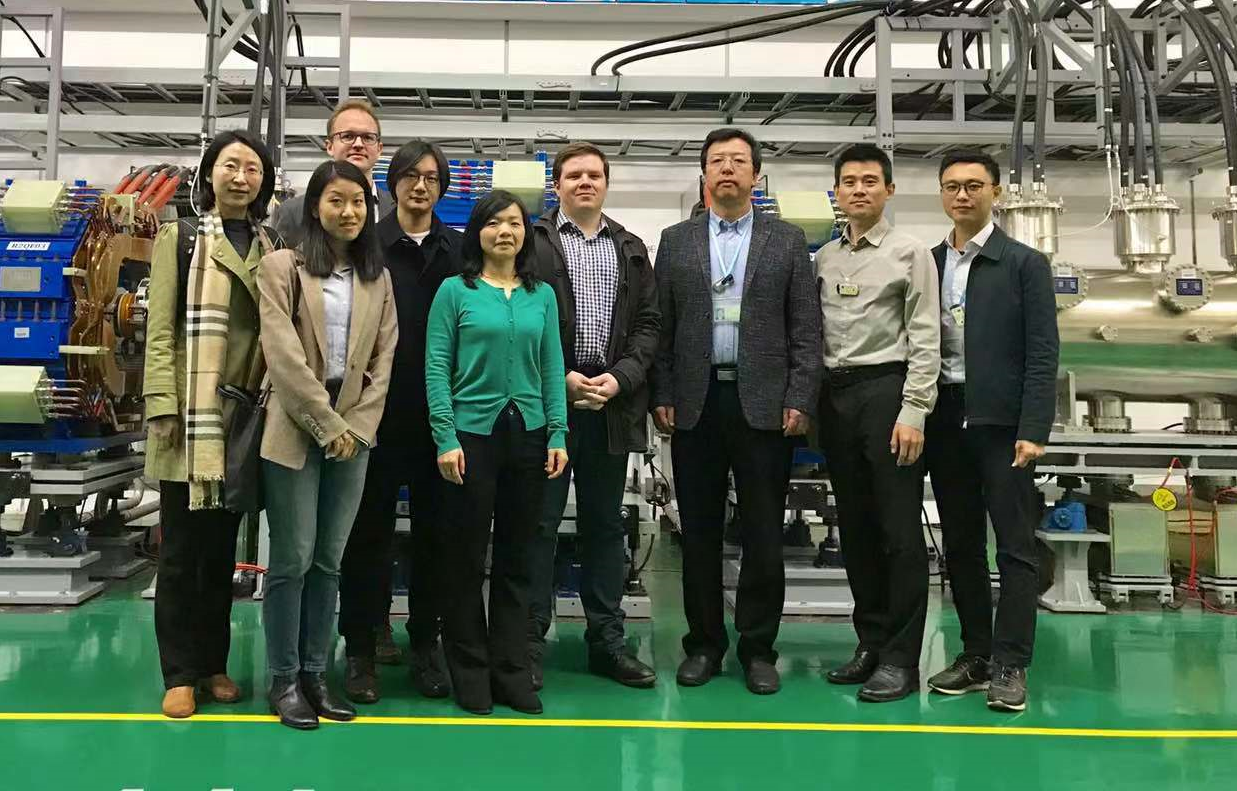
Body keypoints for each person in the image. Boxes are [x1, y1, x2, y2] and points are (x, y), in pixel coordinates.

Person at [652, 128, 822, 696]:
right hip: (695, 402)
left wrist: (799, 397)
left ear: (756, 175)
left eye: (738, 161)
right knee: (698, 532)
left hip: (766, 406)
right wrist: (662, 392)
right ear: (703, 174)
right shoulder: (675, 241)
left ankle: (758, 648)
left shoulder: (787, 240)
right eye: (717, 161)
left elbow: (806, 327)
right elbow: (662, 325)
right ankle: (703, 644)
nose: (727, 169)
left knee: (763, 532)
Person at [257, 159, 398, 730]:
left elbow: (384, 359)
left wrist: (356, 429)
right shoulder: (281, 268)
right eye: (336, 200)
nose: (349, 211)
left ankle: (317, 674)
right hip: (294, 426)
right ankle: (283, 678)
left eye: (358, 202)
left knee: (329, 560)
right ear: (315, 206)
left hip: (353, 436)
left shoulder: (377, 278)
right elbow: (282, 354)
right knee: (292, 559)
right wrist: (327, 423)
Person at [144, 129, 280, 720]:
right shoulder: (179, 239)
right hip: (189, 413)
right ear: (210, 174)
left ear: (264, 182)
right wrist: (160, 402)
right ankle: (179, 673)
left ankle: (213, 663)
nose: (241, 177)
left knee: (222, 552)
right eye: (230, 165)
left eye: (252, 169)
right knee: (180, 552)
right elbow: (159, 330)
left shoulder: (274, 246)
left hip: (243, 415)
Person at [425, 191, 568, 716]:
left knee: (518, 559)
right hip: (470, 438)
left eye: (514, 223)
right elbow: (436, 366)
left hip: (529, 435)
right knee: (464, 558)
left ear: (526, 234)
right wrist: (445, 437)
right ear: (478, 232)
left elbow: (552, 366)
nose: (505, 231)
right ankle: (469, 670)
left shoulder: (541, 295)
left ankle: (511, 671)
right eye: (494, 223)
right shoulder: (454, 291)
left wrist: (558, 432)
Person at [924, 151, 1058, 712]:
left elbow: (1042, 352)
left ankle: (1011, 663)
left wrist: (1034, 426)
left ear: (995, 193)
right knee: (959, 545)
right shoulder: (929, 262)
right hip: (945, 419)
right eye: (952, 186)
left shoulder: (1024, 263)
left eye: (974, 186)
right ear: (941, 193)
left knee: (1015, 547)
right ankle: (976, 654)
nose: (962, 195)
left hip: (1003, 425)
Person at [526, 142, 660, 691]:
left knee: (605, 527)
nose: (585, 182)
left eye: (594, 175)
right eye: (574, 175)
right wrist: (557, 377)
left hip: (610, 406)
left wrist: (621, 378)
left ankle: (607, 642)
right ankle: (528, 643)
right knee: (538, 525)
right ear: (556, 184)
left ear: (606, 183)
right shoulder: (533, 242)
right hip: (547, 405)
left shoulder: (630, 247)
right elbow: (517, 314)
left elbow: (649, 324)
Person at [338, 140, 462, 704]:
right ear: (392, 184)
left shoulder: (459, 251)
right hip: (373, 417)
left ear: (442, 187)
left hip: (443, 419)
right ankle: (361, 649)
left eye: (431, 177)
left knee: (438, 539)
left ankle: (426, 646)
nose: (420, 185)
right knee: (366, 538)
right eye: (410, 175)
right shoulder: (365, 247)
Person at [816, 144, 940, 703]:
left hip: (887, 392)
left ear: (889, 190)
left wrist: (914, 409)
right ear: (836, 193)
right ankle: (870, 641)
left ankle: (901, 658)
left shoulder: (911, 253)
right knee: (857, 529)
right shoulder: (825, 258)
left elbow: (926, 335)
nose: (859, 189)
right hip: (836, 398)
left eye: (870, 181)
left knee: (898, 532)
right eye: (849, 181)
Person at [271, 98, 394, 248]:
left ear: (379, 149)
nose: (358, 144)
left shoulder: (398, 210)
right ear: (330, 146)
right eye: (348, 136)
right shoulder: (294, 212)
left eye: (368, 137)